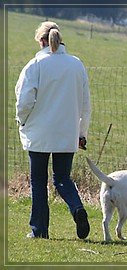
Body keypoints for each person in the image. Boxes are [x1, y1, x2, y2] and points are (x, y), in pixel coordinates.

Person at [15, 21, 91, 239]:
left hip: (39, 132)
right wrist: (81, 133)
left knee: (39, 180)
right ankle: (77, 208)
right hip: (67, 132)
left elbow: (24, 101)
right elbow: (85, 105)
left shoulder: (35, 65)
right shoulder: (77, 64)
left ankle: (39, 230)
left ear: (41, 41)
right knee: (62, 179)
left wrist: (23, 121)